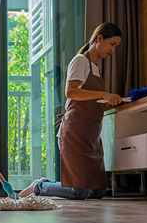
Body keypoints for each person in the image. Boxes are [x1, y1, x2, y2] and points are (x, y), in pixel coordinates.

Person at [19, 23, 122, 199]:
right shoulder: (80, 61)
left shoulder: (96, 68)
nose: (113, 50)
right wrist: (104, 94)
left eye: (116, 46)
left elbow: (89, 101)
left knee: (98, 191)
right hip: (74, 134)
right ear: (99, 39)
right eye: (112, 44)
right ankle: (39, 186)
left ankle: (46, 185)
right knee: (79, 192)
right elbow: (71, 92)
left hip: (91, 136)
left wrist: (107, 101)